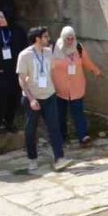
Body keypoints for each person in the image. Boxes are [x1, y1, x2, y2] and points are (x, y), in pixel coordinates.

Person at [16, 26, 67, 173]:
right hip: (32, 97)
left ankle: (59, 158)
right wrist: (31, 99)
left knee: (54, 127)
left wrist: (57, 89)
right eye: (45, 36)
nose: (48, 39)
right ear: (37, 39)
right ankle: (32, 158)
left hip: (49, 95)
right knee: (30, 130)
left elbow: (51, 72)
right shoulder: (24, 55)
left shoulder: (48, 52)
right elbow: (21, 79)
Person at [52, 26, 102, 146]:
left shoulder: (78, 47)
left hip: (76, 87)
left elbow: (86, 61)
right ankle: (62, 136)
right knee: (60, 114)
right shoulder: (54, 49)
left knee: (78, 113)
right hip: (59, 88)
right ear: (62, 38)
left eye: (72, 38)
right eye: (67, 39)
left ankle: (83, 136)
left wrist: (96, 71)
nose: (70, 41)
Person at [0, 8, 27, 134]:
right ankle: (2, 122)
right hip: (0, 71)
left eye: (2, 17)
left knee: (14, 97)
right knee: (2, 97)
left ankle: (10, 121)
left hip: (15, 70)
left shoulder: (18, 31)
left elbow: (25, 49)